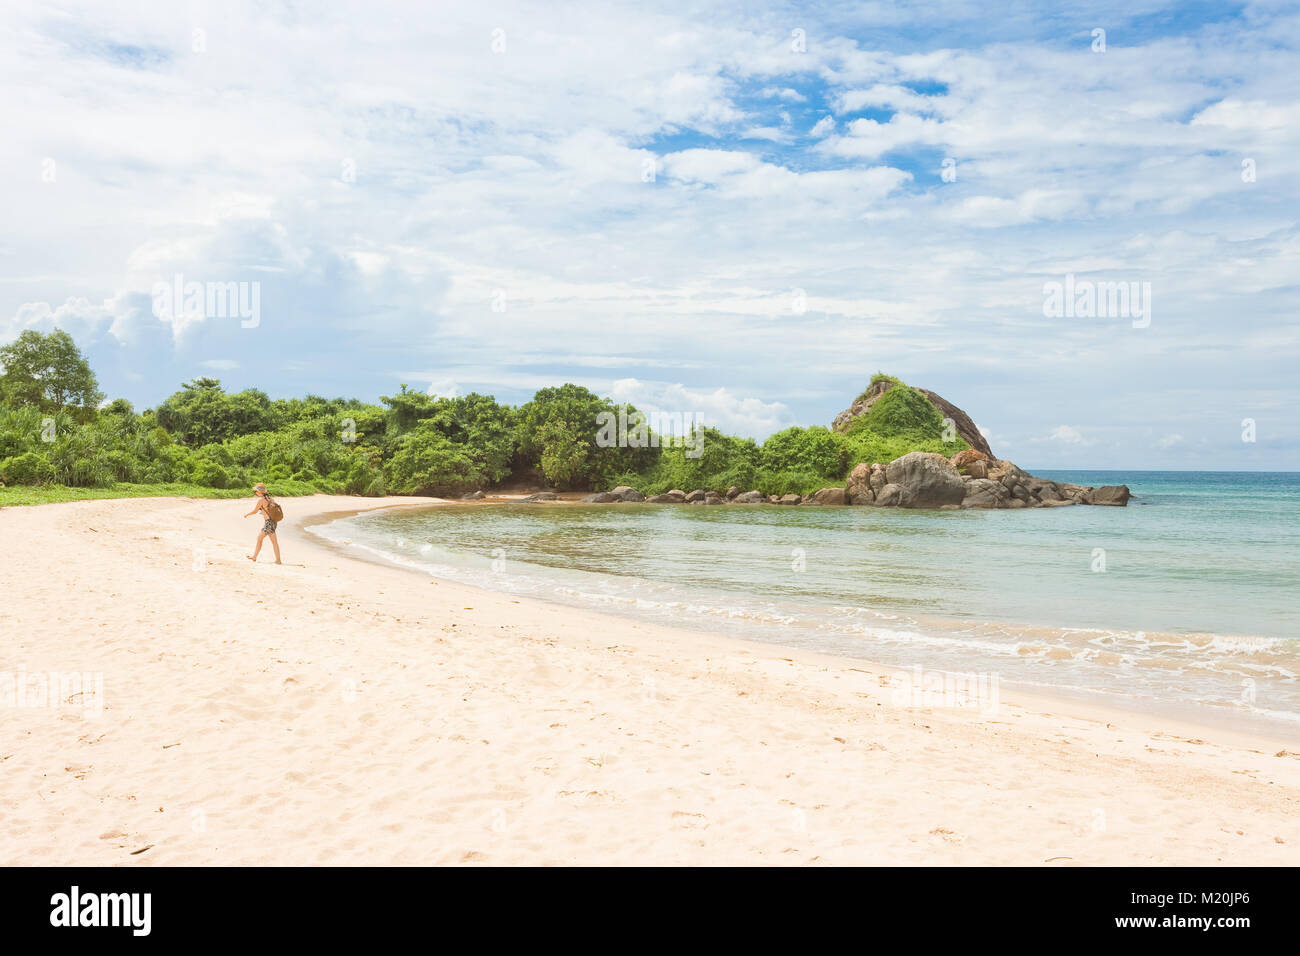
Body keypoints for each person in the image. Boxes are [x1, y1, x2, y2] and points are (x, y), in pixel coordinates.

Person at [244, 482, 282, 564]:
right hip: (274, 522)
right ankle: (277, 560)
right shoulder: (271, 499)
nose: (256, 493)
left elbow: (254, 511)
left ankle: (256, 557)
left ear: (260, 492)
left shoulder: (261, 500)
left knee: (260, 539)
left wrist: (247, 514)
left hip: (268, 523)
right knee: (273, 542)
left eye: (256, 491)